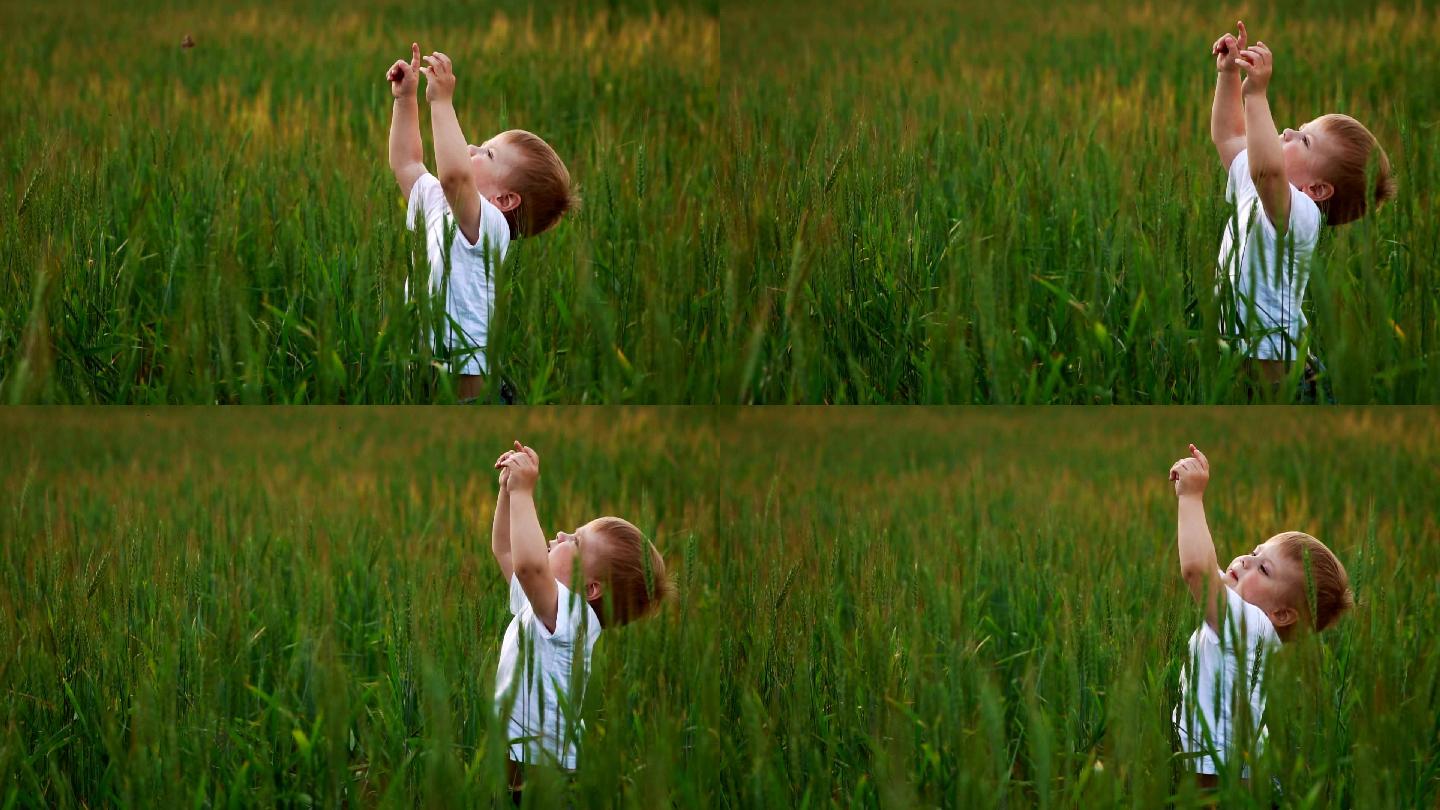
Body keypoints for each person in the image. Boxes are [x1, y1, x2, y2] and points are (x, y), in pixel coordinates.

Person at [1209, 22, 1395, 395]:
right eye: (1300, 127)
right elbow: (1230, 137)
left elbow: (1267, 170)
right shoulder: (1261, 185)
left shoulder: (1301, 216)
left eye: (1305, 140)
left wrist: (1257, 96)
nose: (1290, 132)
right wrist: (1228, 75)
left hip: (1276, 376)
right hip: (1235, 353)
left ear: (1317, 189)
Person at [386, 45, 577, 401]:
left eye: (488, 153)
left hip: (464, 391)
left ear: (503, 200)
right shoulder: (440, 202)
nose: (472, 146)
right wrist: (405, 99)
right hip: (420, 361)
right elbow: (407, 164)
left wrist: (441, 102)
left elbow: (456, 176)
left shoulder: (489, 226)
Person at [489, 441, 669, 798]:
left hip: (548, 771)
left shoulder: (571, 619)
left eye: (576, 541)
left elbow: (528, 564)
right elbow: (506, 550)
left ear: (591, 590)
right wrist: (509, 493)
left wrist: (526, 491)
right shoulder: (544, 603)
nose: (561, 535)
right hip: (518, 755)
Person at [1169, 443, 1353, 788]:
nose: (1243, 561)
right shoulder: (1256, 631)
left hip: (1219, 777)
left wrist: (1191, 498)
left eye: (1263, 569)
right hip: (1232, 768)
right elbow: (1214, 574)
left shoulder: (1248, 625)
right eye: (1254, 552)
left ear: (1282, 614)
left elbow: (1197, 570)